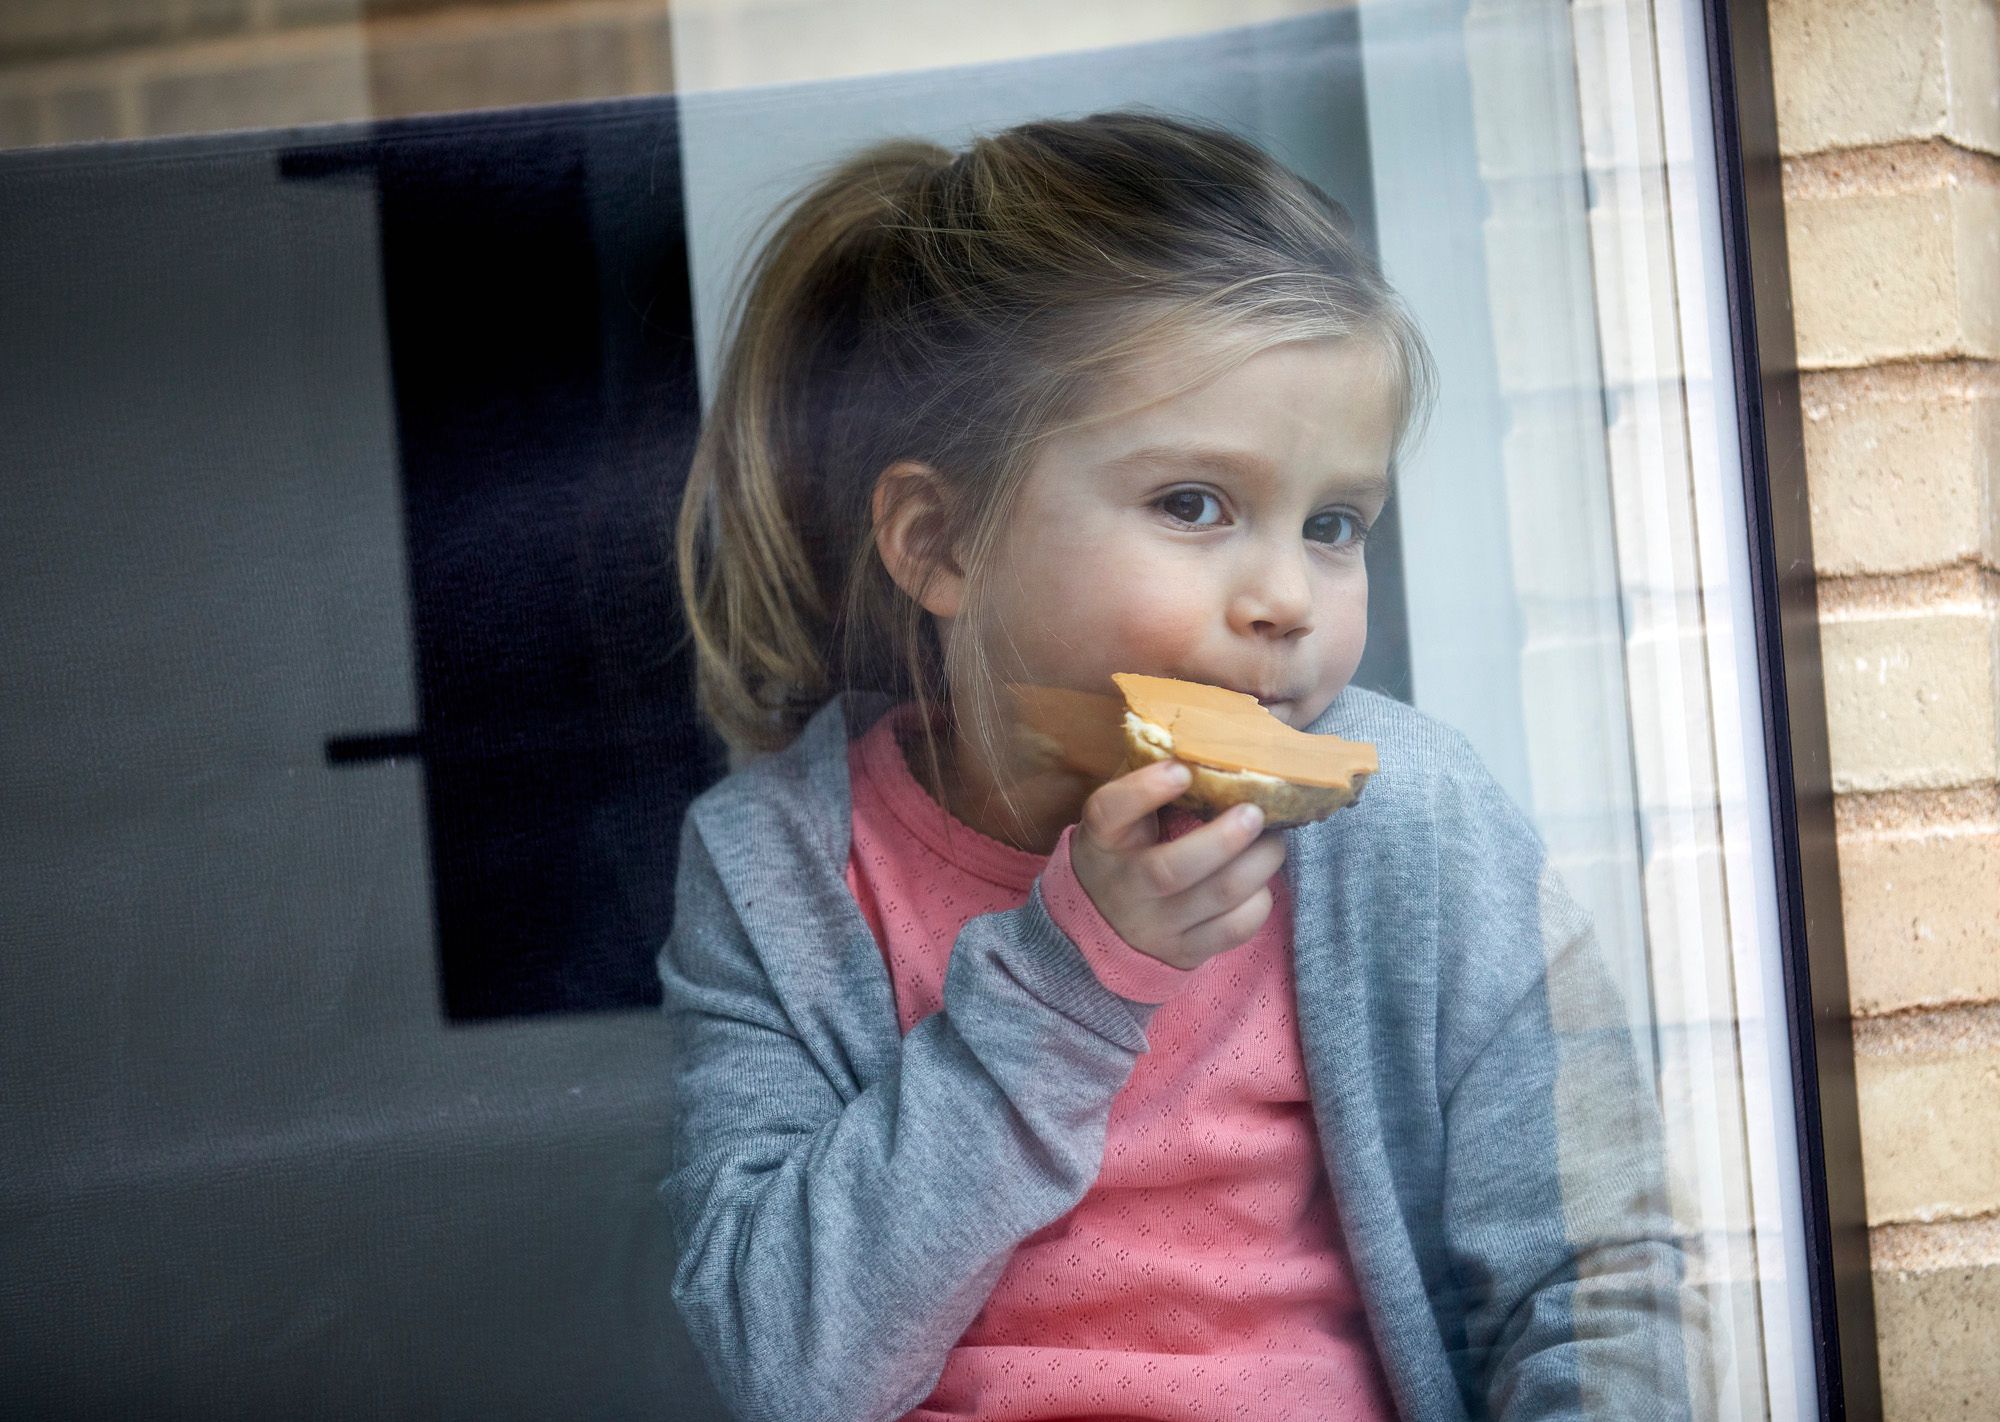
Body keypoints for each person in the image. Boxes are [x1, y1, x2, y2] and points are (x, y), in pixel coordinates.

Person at [659, 111, 1702, 1422]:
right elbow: (784, 1363)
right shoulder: (781, 871)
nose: (1284, 595)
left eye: (1333, 524)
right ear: (942, 544)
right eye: (1194, 504)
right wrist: (1074, 973)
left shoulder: (1415, 826)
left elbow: (1595, 1283)